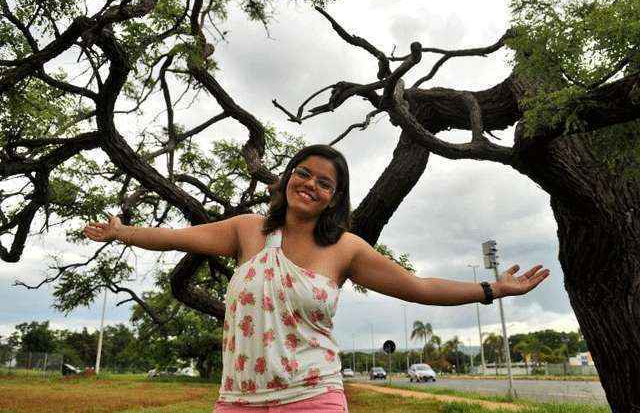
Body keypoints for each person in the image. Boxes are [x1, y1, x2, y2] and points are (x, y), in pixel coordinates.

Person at [83, 144, 550, 412]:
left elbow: (419, 287)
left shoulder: (345, 248)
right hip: (237, 399)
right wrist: (123, 232)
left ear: (333, 198)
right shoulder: (249, 231)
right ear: (287, 180)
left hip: (312, 394)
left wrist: (493, 289)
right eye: (303, 173)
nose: (310, 184)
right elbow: (175, 237)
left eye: (324, 182)